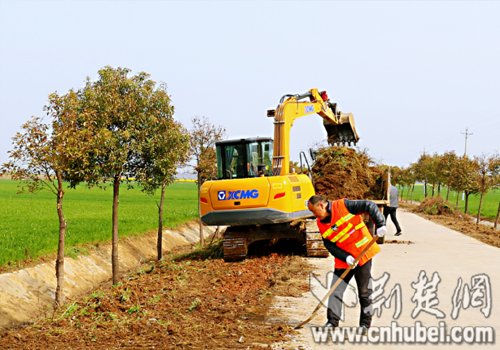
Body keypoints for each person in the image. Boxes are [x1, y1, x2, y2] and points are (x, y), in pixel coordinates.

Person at [307, 195, 386, 335]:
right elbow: (329, 244)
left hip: (362, 254)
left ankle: (364, 325)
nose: (313, 215)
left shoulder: (344, 205)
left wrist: (381, 223)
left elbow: (369, 205)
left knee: (364, 292)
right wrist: (346, 257)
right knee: (335, 290)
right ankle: (332, 322)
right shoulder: (320, 222)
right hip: (345, 259)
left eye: (314, 211)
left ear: (321, 205)